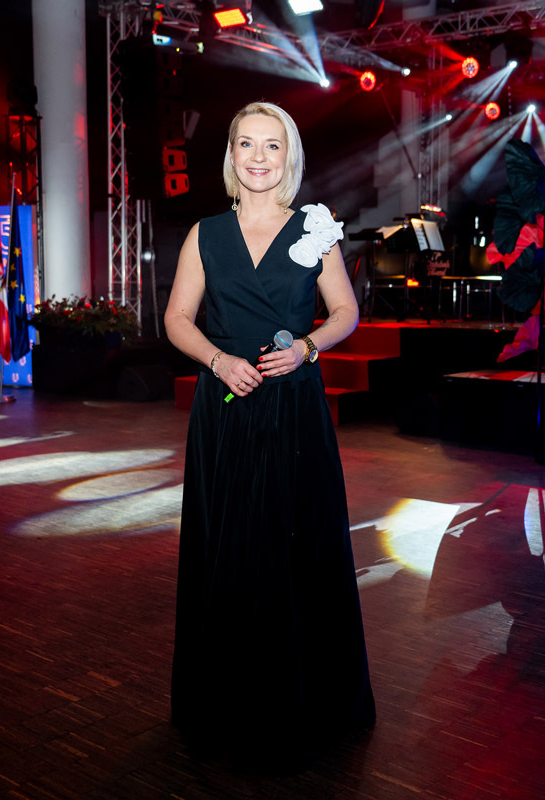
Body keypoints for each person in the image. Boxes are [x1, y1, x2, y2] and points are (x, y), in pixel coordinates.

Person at [165, 101, 376, 760]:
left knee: (295, 548)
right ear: (231, 154)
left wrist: (309, 348)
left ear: (290, 158)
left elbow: (345, 312)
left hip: (293, 409)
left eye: (272, 145)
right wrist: (217, 360)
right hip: (225, 408)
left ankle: (305, 702)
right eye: (247, 144)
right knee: (229, 548)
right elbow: (176, 319)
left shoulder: (315, 228)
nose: (259, 157)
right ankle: (226, 704)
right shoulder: (205, 234)